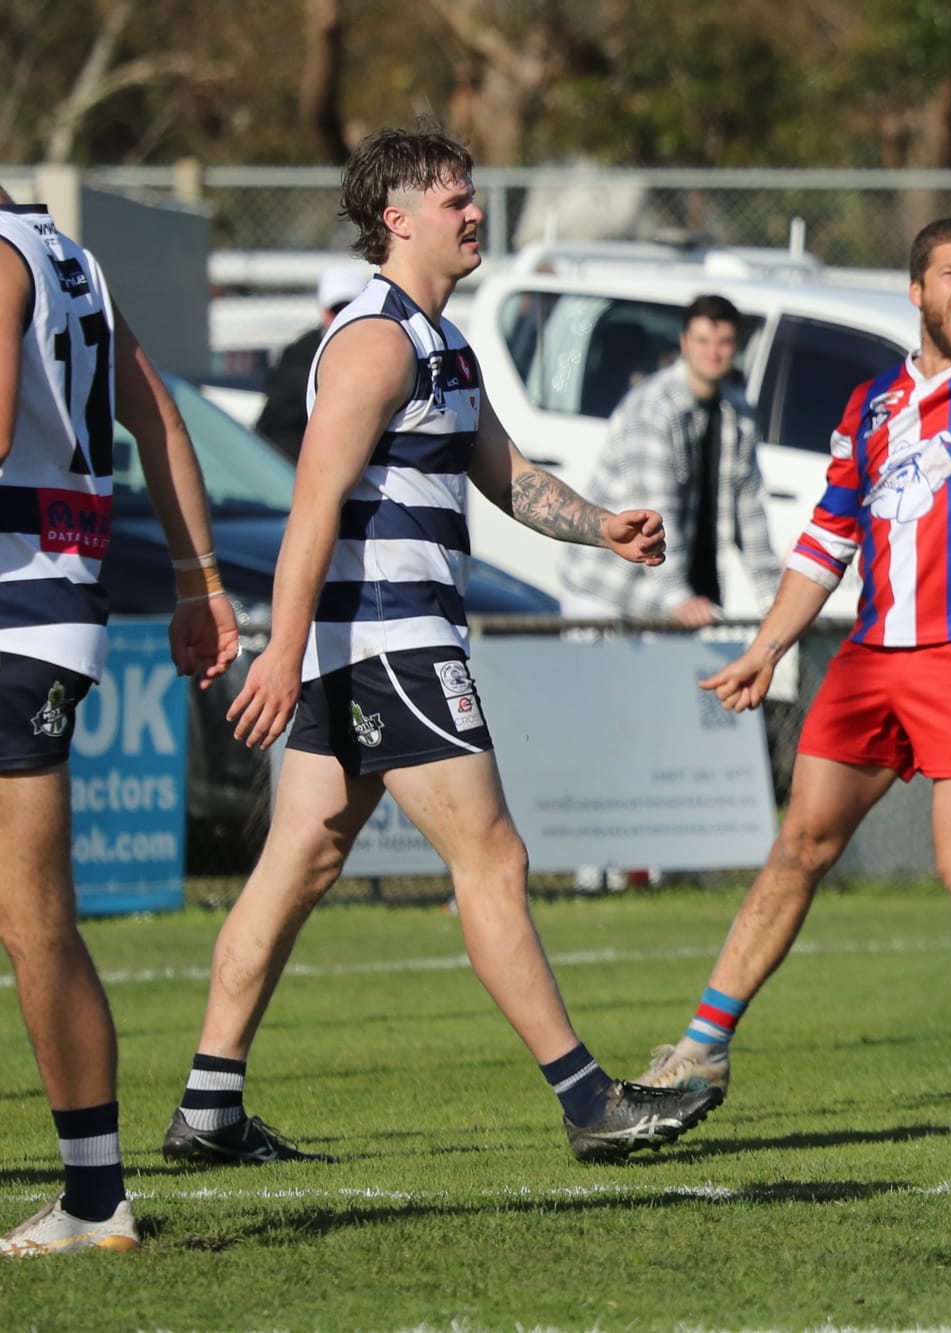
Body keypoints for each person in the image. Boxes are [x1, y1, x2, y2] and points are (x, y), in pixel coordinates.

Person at [160, 126, 715, 1169]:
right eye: (453, 199)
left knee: (296, 866)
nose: (473, 211)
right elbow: (312, 505)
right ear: (397, 219)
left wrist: (600, 525)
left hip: (373, 643)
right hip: (390, 641)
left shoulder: (442, 344)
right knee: (493, 858)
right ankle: (588, 1100)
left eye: (471, 193)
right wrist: (281, 649)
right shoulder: (375, 342)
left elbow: (507, 475)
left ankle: (209, 1107)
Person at [638, 53, 951, 1118]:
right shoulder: (869, 408)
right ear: (917, 293)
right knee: (799, 844)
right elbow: (824, 544)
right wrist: (769, 645)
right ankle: (702, 1049)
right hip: (870, 660)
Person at [0, 189, 239, 1255]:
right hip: (52, 613)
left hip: (10, 609)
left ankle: (97, 1197)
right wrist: (200, 583)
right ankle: (95, 1198)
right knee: (35, 917)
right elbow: (163, 419)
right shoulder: (69, 259)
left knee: (34, 918)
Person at [560, 293, 780, 627]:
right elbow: (652, 510)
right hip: (608, 591)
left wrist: (774, 600)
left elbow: (750, 513)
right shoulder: (653, 408)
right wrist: (679, 596)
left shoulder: (739, 414)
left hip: (666, 596)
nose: (713, 352)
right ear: (685, 343)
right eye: (703, 341)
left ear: (736, 346)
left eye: (723, 342)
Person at [256, 262, 373, 460]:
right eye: (337, 310)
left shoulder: (387, 351)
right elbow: (274, 431)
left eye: (351, 309)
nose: (343, 317)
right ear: (323, 312)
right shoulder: (298, 358)